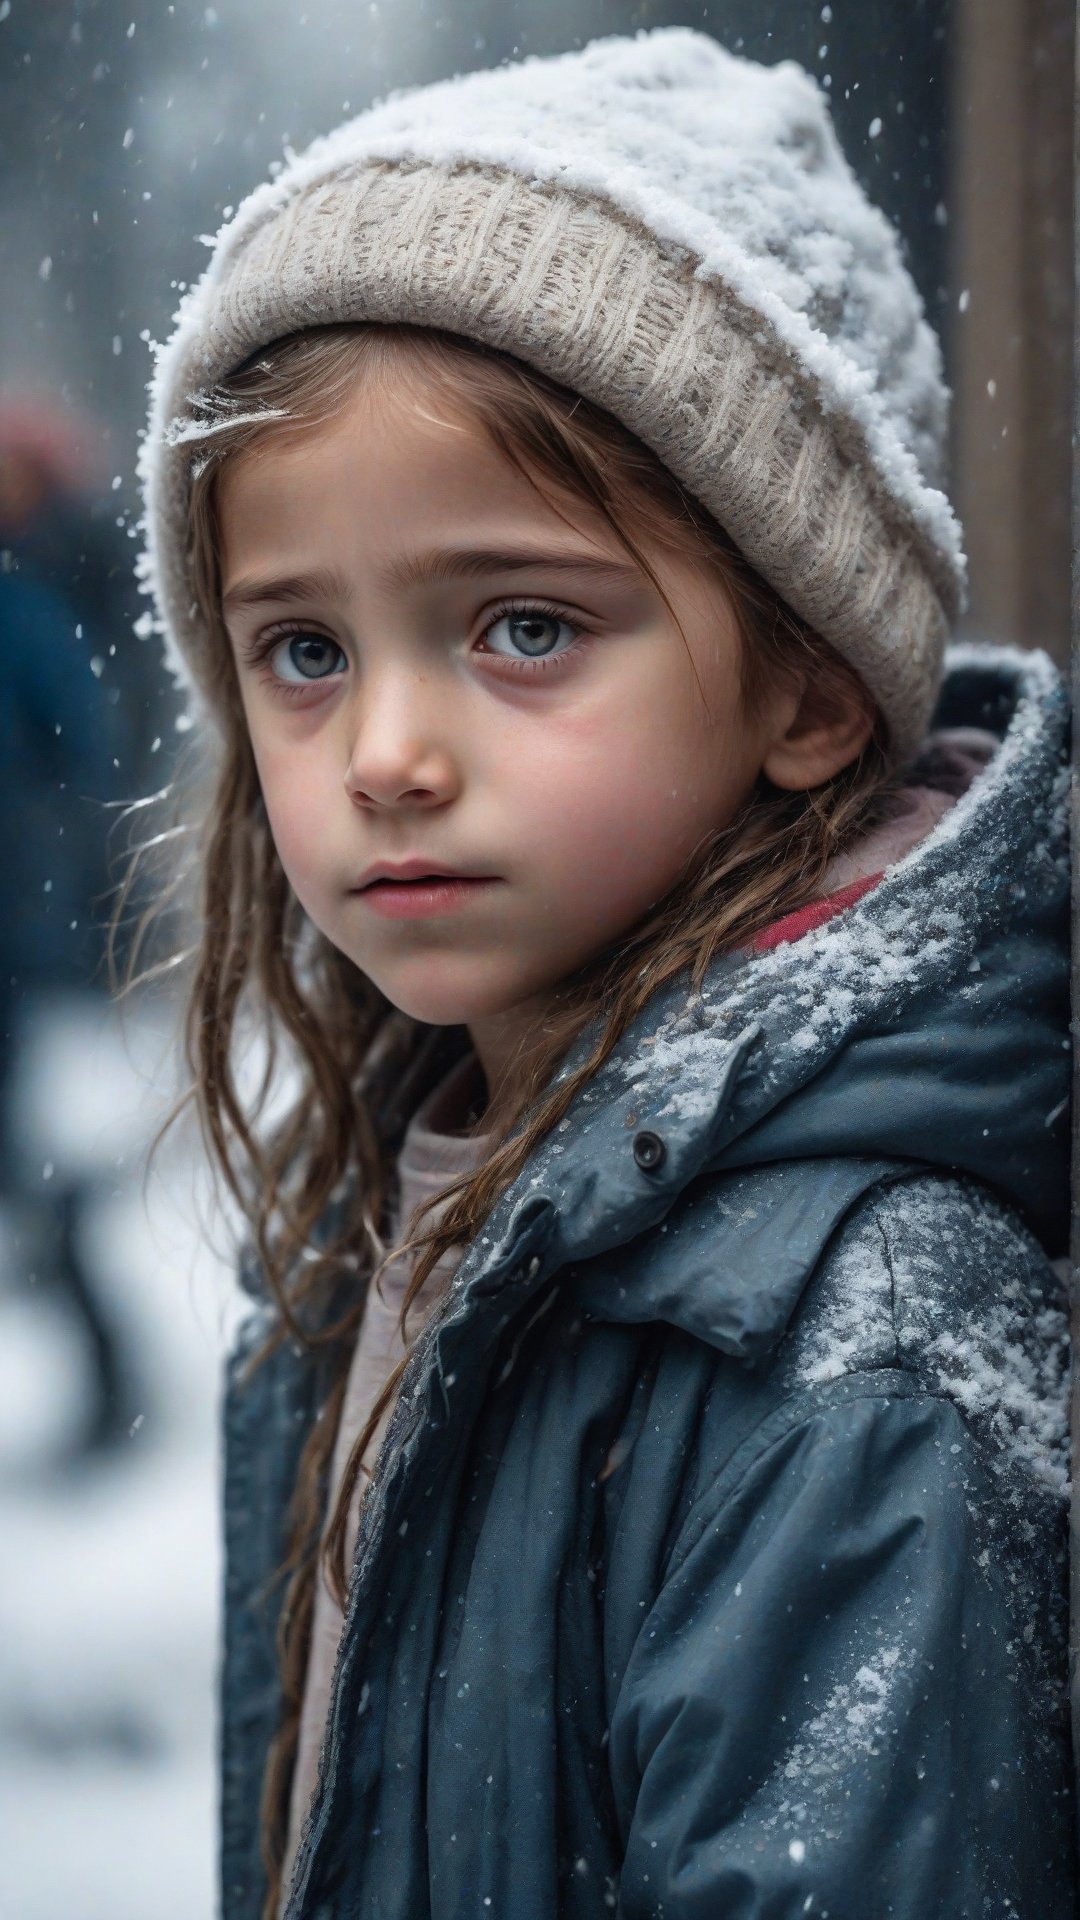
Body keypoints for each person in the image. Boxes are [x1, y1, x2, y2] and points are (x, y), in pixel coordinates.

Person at [133, 31, 1073, 1920]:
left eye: (525, 625)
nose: (385, 749)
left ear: (811, 687)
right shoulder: (385, 1227)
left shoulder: (850, 1350)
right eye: (301, 651)